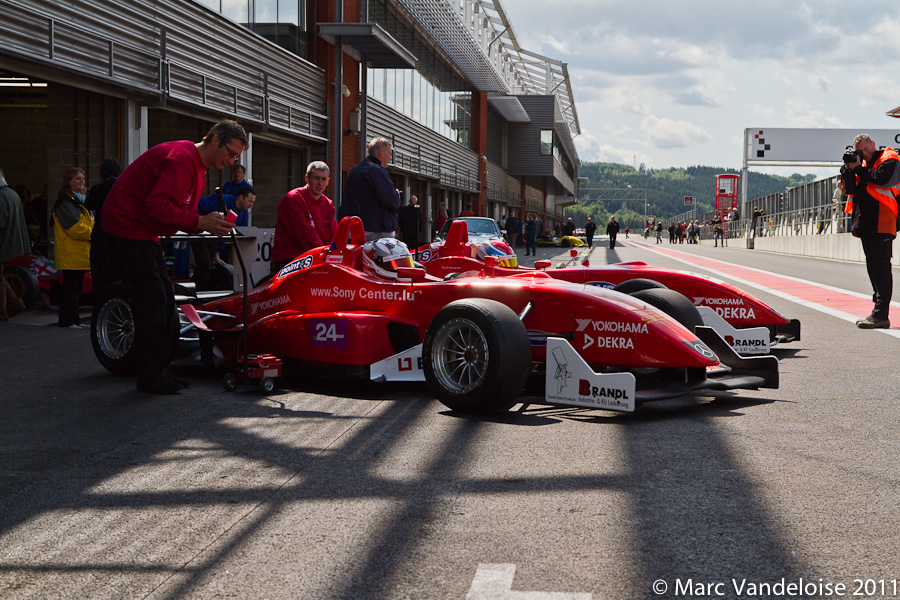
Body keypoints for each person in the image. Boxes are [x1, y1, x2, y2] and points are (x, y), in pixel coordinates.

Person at [102, 119, 246, 394]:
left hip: (143, 232)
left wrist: (204, 221)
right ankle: (150, 374)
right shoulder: (182, 159)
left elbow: (175, 211)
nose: (232, 161)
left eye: (236, 157)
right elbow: (157, 205)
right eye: (231, 153)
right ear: (215, 140)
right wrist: (200, 222)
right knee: (153, 301)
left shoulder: (198, 168)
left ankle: (158, 370)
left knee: (165, 300)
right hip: (127, 228)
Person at [841, 133, 900, 329]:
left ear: (873, 144)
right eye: (861, 151)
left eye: (867, 149)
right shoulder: (860, 166)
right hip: (866, 224)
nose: (865, 154)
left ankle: (881, 315)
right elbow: (848, 190)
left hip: (883, 222)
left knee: (881, 269)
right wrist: (847, 171)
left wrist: (857, 168)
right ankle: (878, 310)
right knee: (873, 268)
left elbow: (884, 179)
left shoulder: (889, 158)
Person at [271, 161, 337, 272]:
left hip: (316, 259)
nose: (320, 183)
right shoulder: (293, 200)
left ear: (328, 181)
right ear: (307, 178)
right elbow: (305, 235)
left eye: (324, 179)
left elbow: (335, 235)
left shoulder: (328, 204)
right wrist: (327, 257)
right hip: (291, 261)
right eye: (316, 178)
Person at [52, 167, 93, 328]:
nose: (82, 181)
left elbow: (89, 223)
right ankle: (67, 320)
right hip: (70, 253)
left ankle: (74, 320)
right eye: (77, 178)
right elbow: (76, 229)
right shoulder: (65, 203)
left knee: (76, 288)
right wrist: (95, 232)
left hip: (80, 252)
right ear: (68, 182)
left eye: (83, 178)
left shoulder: (80, 202)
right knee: (70, 289)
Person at [194, 186, 257, 288]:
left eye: (252, 202)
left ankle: (205, 289)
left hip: (214, 235)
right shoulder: (221, 200)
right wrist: (199, 222)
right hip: (199, 231)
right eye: (249, 201)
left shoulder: (244, 212)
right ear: (240, 198)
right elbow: (198, 207)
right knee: (204, 264)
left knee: (210, 264)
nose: (251, 205)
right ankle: (198, 290)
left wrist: (217, 251)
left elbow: (242, 231)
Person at [339, 137, 400, 241]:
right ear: (381, 153)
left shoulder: (355, 170)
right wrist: (396, 195)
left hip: (355, 230)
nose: (390, 158)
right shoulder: (377, 171)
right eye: (389, 153)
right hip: (377, 231)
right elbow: (390, 200)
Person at [85, 157, 121, 294]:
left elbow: (89, 207)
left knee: (100, 278)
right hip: (119, 237)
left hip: (100, 238)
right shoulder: (122, 188)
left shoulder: (97, 190)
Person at [0, 169, 30, 322]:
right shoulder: (11, 194)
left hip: (3, 242)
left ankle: (2, 312)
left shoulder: (2, 195)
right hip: (10, 241)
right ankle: (15, 303)